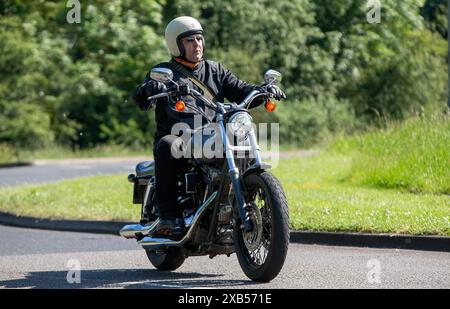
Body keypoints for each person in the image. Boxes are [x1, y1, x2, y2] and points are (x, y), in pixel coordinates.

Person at [132, 16, 285, 239]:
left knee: (244, 148)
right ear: (176, 44)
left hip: (214, 133)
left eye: (199, 39)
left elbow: (241, 90)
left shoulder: (215, 70)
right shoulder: (165, 71)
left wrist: (264, 91)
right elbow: (141, 97)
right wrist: (149, 88)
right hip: (181, 135)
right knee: (167, 145)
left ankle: (257, 210)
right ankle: (168, 217)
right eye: (190, 41)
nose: (197, 45)